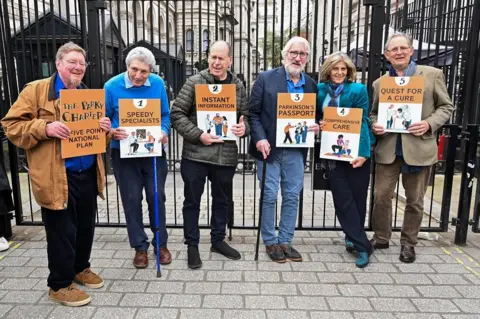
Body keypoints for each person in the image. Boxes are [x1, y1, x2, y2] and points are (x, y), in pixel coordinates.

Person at [1, 42, 111, 306]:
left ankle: (80, 268)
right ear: (59, 63)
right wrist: (45, 128)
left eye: (82, 64)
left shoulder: (87, 95)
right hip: (56, 177)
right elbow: (11, 126)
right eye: (72, 62)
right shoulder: (36, 90)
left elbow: (98, 141)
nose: (78, 67)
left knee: (85, 227)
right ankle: (59, 284)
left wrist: (105, 129)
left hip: (86, 173)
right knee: (62, 232)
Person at [370, 32, 454, 263]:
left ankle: (408, 243)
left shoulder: (432, 75)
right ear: (387, 55)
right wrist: (375, 125)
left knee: (415, 200)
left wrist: (428, 124)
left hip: (418, 148)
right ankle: (381, 237)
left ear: (411, 50)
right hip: (388, 149)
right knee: (380, 197)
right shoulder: (380, 83)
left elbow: (446, 107)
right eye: (393, 50)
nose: (398, 53)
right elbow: (373, 113)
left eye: (402, 48)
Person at [171, 41, 249, 269]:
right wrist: (198, 135)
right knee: (192, 201)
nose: (216, 62)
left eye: (221, 58)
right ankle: (192, 245)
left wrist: (245, 129)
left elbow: (246, 117)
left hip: (225, 156)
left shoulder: (238, 86)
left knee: (222, 200)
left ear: (229, 61)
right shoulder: (194, 82)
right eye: (213, 57)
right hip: (196, 155)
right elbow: (177, 114)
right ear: (208, 58)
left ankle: (217, 241)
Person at [249, 36, 318, 263]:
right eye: (293, 53)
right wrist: (259, 139)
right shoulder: (266, 79)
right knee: (269, 196)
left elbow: (314, 116)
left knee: (291, 196)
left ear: (307, 58)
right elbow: (254, 113)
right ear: (284, 54)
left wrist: (316, 125)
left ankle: (285, 240)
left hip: (296, 150)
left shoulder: (310, 84)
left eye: (302, 54)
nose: (297, 58)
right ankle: (270, 241)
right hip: (269, 149)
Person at [105, 46, 172, 268]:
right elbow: (103, 120)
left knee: (157, 197)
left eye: (144, 71)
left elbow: (165, 114)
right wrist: (112, 132)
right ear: (127, 66)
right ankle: (139, 247)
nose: (138, 76)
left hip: (153, 152)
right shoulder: (111, 86)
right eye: (134, 70)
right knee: (131, 200)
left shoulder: (158, 84)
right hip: (124, 154)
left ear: (150, 70)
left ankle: (160, 244)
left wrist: (164, 131)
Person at [317, 51, 374, 268]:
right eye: (335, 68)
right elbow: (313, 115)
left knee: (358, 198)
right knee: (342, 199)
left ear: (349, 71)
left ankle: (356, 242)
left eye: (343, 69)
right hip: (332, 152)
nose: (339, 72)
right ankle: (362, 243)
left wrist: (363, 152)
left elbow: (363, 120)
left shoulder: (358, 90)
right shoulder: (320, 90)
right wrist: (319, 122)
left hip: (356, 152)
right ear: (328, 70)